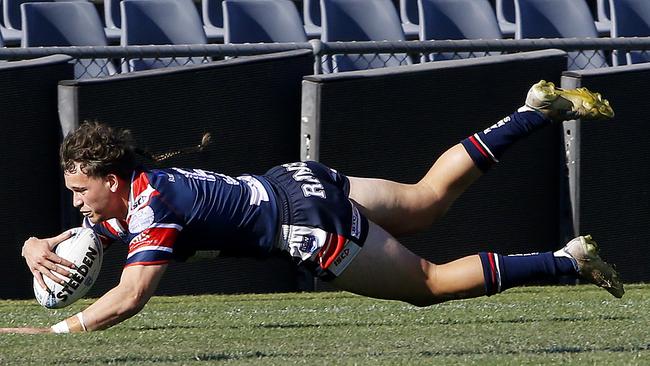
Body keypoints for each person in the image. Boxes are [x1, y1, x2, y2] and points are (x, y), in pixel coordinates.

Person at [5, 80, 622, 334]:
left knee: (429, 285)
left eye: (81, 188)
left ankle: (567, 263)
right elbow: (96, 229)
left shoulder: (154, 207)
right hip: (295, 181)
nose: (76, 199)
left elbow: (131, 296)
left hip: (305, 225)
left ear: (110, 178)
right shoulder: (137, 190)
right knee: (427, 198)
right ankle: (533, 110)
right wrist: (37, 246)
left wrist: (58, 331)